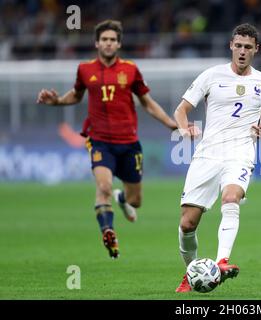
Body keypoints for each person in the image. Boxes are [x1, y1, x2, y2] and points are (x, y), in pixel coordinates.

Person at [36, 20, 178, 259]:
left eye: (113, 39)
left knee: (136, 200)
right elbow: (76, 94)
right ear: (97, 43)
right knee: (103, 187)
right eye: (104, 39)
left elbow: (147, 102)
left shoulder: (131, 70)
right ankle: (108, 232)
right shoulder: (85, 69)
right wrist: (58, 101)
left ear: (119, 43)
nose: (108, 43)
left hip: (129, 142)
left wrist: (171, 123)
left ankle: (122, 198)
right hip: (100, 141)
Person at [173, 23, 261, 292]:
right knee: (188, 223)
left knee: (231, 198)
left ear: (256, 50)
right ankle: (191, 271)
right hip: (208, 154)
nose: (242, 51)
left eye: (248, 47)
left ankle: (221, 262)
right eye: (238, 46)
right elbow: (181, 110)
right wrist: (185, 129)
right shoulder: (211, 76)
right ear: (231, 46)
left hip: (241, 152)